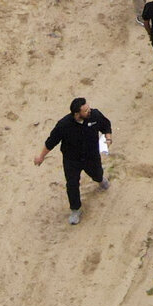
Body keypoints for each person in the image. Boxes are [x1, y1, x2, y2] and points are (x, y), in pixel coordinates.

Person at [33, 96, 111, 224]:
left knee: (97, 174)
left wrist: (108, 138)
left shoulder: (94, 115)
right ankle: (76, 209)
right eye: (85, 110)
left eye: (88, 108)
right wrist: (41, 156)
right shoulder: (63, 125)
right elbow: (51, 142)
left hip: (91, 156)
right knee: (72, 184)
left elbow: (106, 125)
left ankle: (100, 179)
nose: (89, 111)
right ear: (77, 114)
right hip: (72, 160)